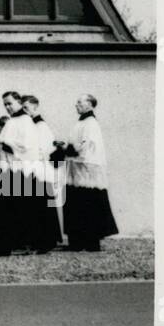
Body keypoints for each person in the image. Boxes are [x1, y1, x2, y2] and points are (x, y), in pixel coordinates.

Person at [53, 95, 118, 252]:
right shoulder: (81, 122)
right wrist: (65, 147)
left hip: (87, 170)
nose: (76, 104)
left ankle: (90, 242)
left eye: (79, 102)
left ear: (89, 104)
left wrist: (66, 149)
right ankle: (77, 241)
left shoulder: (91, 123)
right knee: (77, 204)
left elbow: (86, 146)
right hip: (77, 168)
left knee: (87, 204)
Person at [0, 90, 40, 256]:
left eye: (10, 103)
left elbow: (26, 146)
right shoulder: (12, 122)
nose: (7, 107)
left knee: (10, 211)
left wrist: (2, 141)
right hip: (6, 169)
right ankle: (4, 245)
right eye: (5, 105)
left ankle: (6, 246)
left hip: (17, 170)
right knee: (5, 211)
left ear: (19, 102)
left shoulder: (25, 121)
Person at [22, 94, 63, 253]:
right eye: (23, 108)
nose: (25, 111)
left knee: (42, 206)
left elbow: (45, 149)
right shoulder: (30, 125)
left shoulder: (40, 126)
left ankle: (46, 241)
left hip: (40, 169)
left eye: (27, 107)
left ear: (35, 107)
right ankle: (38, 240)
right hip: (33, 169)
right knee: (35, 206)